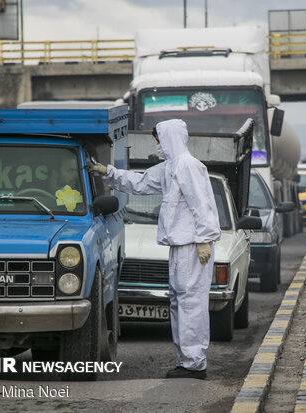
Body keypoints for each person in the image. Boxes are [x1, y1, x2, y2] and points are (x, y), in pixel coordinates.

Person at [87, 119, 221, 380]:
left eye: (159, 139)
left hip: (193, 246)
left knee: (190, 303)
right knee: (179, 302)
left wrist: (205, 237)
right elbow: (140, 183)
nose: (157, 144)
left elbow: (202, 204)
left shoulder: (188, 166)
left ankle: (195, 364)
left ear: (169, 138)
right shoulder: (170, 168)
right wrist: (108, 172)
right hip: (180, 247)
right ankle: (186, 361)